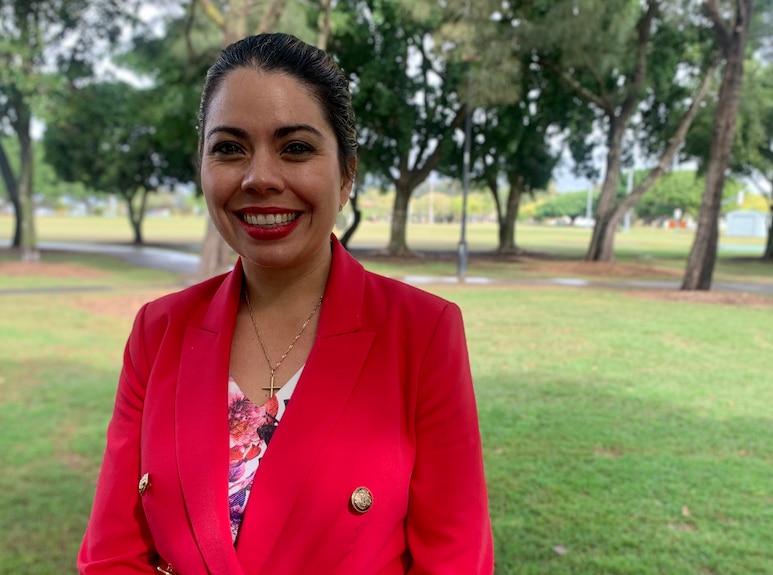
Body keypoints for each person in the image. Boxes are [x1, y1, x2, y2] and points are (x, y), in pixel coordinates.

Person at [78, 33, 493, 574]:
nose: (260, 178)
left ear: (346, 174)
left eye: (295, 147)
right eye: (229, 148)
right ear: (202, 167)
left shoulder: (422, 332)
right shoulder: (159, 332)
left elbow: (455, 562)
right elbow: (112, 555)